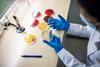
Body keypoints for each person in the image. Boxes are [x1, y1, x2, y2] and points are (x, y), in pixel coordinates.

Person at [43, 0, 100, 67]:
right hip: (90, 55)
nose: (81, 15)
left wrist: (61, 51)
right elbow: (90, 31)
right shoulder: (97, 24)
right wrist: (68, 26)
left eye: (85, 15)